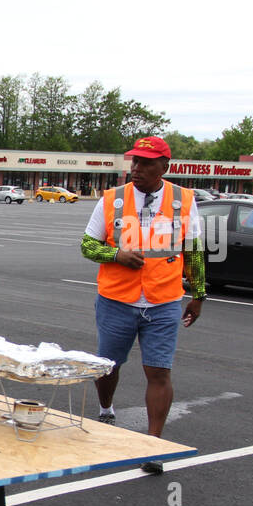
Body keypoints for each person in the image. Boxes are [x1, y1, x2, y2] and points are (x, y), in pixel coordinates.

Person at [81, 135, 206, 474]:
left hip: (163, 300)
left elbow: (193, 250)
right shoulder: (111, 200)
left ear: (164, 166)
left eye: (145, 163)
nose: (136, 168)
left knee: (159, 371)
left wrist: (199, 294)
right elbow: (87, 247)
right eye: (134, 161)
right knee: (108, 365)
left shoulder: (184, 199)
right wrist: (116, 254)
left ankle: (153, 445)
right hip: (116, 299)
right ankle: (106, 409)